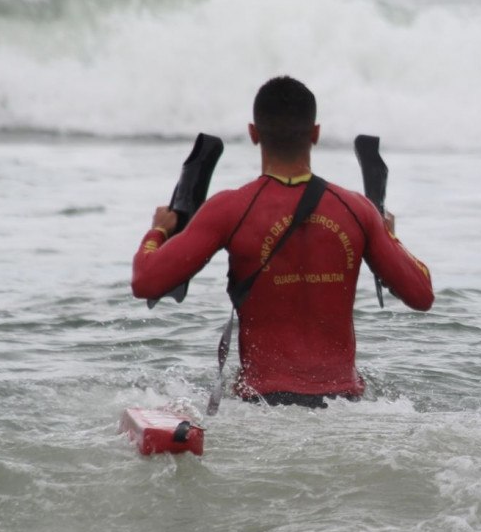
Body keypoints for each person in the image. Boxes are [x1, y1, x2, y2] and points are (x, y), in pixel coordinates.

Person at [132, 76, 434, 407]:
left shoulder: (229, 209)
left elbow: (146, 281)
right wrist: (389, 235)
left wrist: (158, 230)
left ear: (253, 134)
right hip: (345, 406)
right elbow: (421, 295)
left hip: (263, 407)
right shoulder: (358, 210)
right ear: (316, 134)